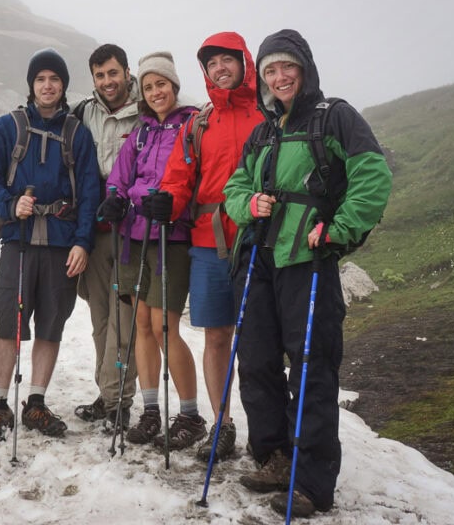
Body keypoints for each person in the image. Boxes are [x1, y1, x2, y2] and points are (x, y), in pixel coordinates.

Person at [223, 29, 392, 517]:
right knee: (255, 363)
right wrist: (246, 202)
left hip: (308, 262)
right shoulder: (263, 130)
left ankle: (312, 481)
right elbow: (236, 185)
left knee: (311, 366)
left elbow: (372, 175)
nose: (279, 78)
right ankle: (274, 457)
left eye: (287, 68)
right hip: (257, 258)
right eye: (270, 71)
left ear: (304, 68)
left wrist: (339, 228)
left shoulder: (335, 117)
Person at [0, 48, 99, 442]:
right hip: (18, 241)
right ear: (31, 84)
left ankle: (36, 403)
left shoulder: (77, 132)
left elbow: (91, 192)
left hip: (62, 245)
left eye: (55, 79)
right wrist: (11, 204)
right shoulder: (7, 126)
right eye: (41, 79)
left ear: (63, 86)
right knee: (8, 325)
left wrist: (83, 242)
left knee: (51, 325)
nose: (48, 86)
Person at [158, 32, 264, 462]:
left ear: (244, 62)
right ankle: (222, 424)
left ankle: (266, 430)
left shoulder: (268, 114)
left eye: (227, 60)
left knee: (260, 340)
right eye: (211, 63)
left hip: (260, 242)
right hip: (209, 244)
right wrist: (164, 202)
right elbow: (179, 178)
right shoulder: (200, 123)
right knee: (217, 337)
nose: (220, 68)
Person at [100, 51, 204, 450]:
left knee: (164, 327)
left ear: (174, 85)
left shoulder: (193, 124)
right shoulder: (140, 132)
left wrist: (176, 205)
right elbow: (120, 178)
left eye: (161, 83)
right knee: (141, 323)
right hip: (133, 236)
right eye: (148, 86)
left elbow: (197, 176)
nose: (156, 91)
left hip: (170, 236)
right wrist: (114, 200)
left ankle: (191, 415)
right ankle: (150, 412)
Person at [72, 44, 141, 431]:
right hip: (96, 231)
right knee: (100, 319)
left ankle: (119, 400)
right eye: (100, 75)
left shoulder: (146, 108)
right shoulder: (83, 112)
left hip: (132, 230)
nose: (107, 82)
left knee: (123, 318)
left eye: (113, 73)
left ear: (127, 72)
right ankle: (109, 394)